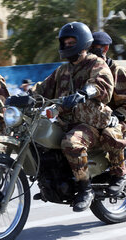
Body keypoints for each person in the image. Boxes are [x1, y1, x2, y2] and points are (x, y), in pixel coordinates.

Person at [31, 22, 115, 212]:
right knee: (38, 139)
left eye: (72, 42)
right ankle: (50, 183)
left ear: (83, 42)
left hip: (90, 124)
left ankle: (85, 189)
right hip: (66, 122)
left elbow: (102, 84)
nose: (68, 45)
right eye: (65, 42)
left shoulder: (96, 63)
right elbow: (43, 88)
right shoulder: (63, 70)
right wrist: (26, 95)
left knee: (71, 143)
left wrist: (86, 92)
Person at [89, 31, 126, 194]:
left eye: (95, 48)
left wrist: (116, 117)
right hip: (96, 119)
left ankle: (119, 175)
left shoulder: (116, 71)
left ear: (105, 48)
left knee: (109, 135)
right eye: (88, 49)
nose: (91, 53)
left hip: (118, 119)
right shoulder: (88, 70)